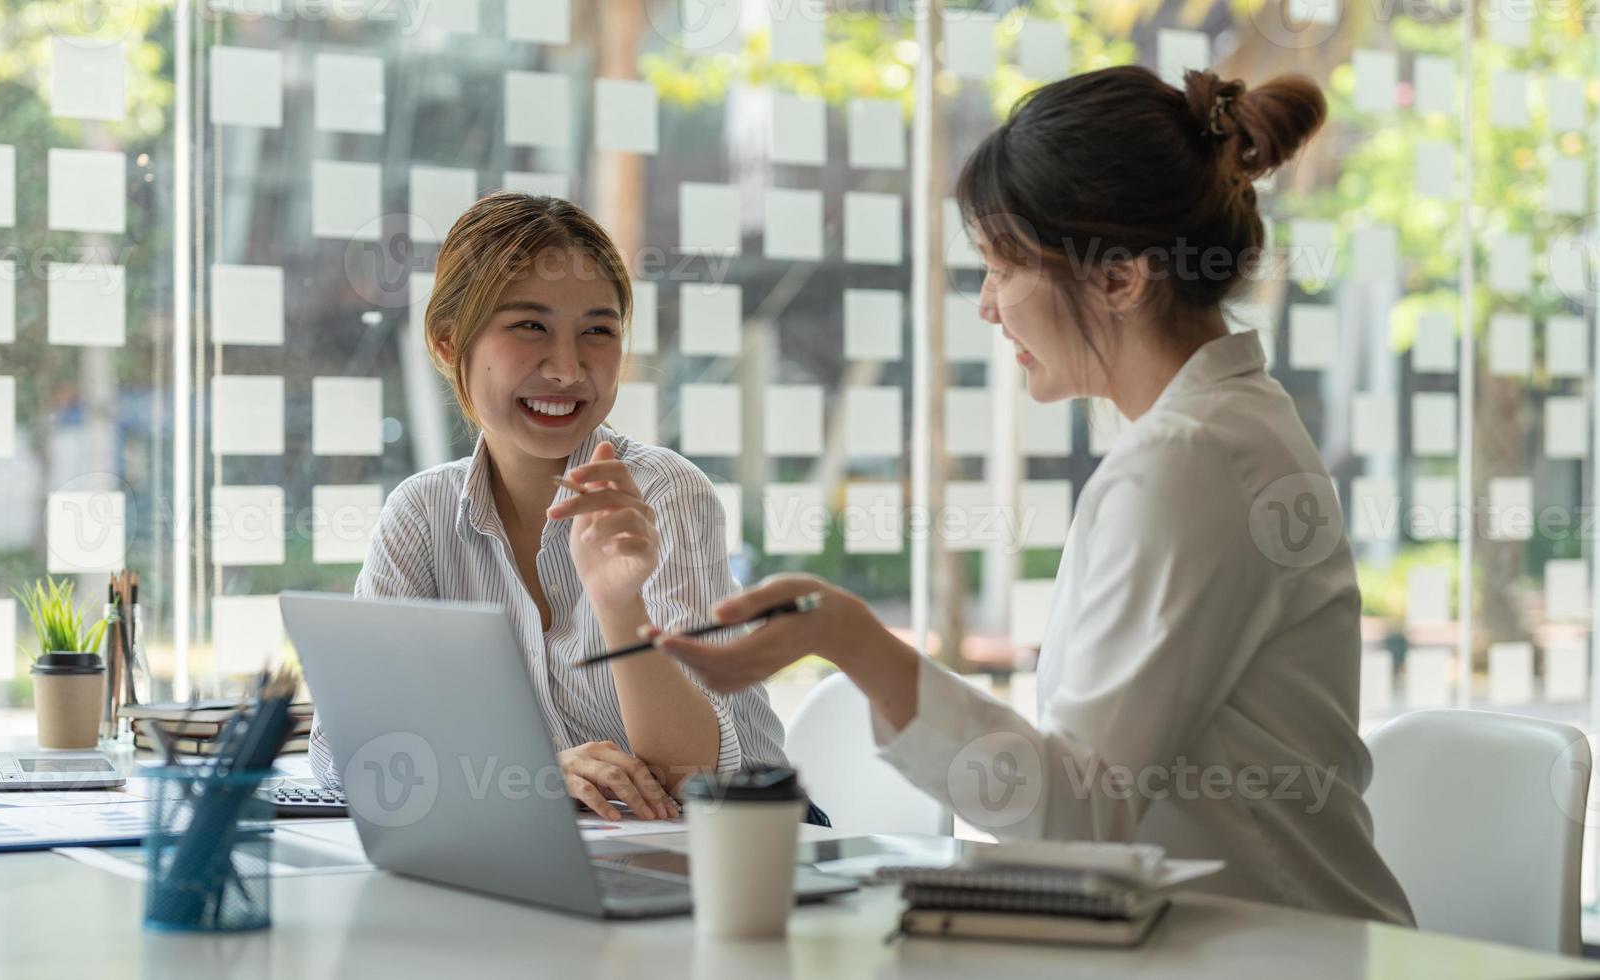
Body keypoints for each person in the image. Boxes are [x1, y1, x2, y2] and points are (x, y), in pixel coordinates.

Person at [643, 67, 1416, 925]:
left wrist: (853, 641)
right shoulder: (1220, 427)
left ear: (1122, 279)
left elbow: (1081, 817)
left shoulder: (1189, 457)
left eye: (1002, 267)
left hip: (1275, 949)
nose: (986, 305)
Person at [308, 192, 792, 821]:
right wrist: (522, 774)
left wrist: (621, 605)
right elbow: (344, 744)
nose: (567, 370)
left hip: (740, 845)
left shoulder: (665, 494)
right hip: (558, 847)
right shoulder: (421, 516)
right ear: (449, 342)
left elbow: (695, 774)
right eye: (530, 326)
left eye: (598, 331)